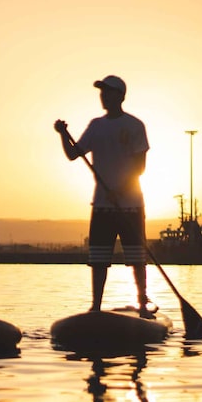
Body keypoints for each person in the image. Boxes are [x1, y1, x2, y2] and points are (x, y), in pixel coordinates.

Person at [54, 75, 156, 318]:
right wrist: (62, 133)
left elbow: (140, 167)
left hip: (130, 204)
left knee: (136, 257)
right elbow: (73, 154)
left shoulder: (134, 125)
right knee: (98, 258)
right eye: (101, 92)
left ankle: (142, 303)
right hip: (102, 205)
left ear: (120, 96)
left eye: (108, 92)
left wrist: (120, 190)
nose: (103, 96)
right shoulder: (96, 125)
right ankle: (96, 306)